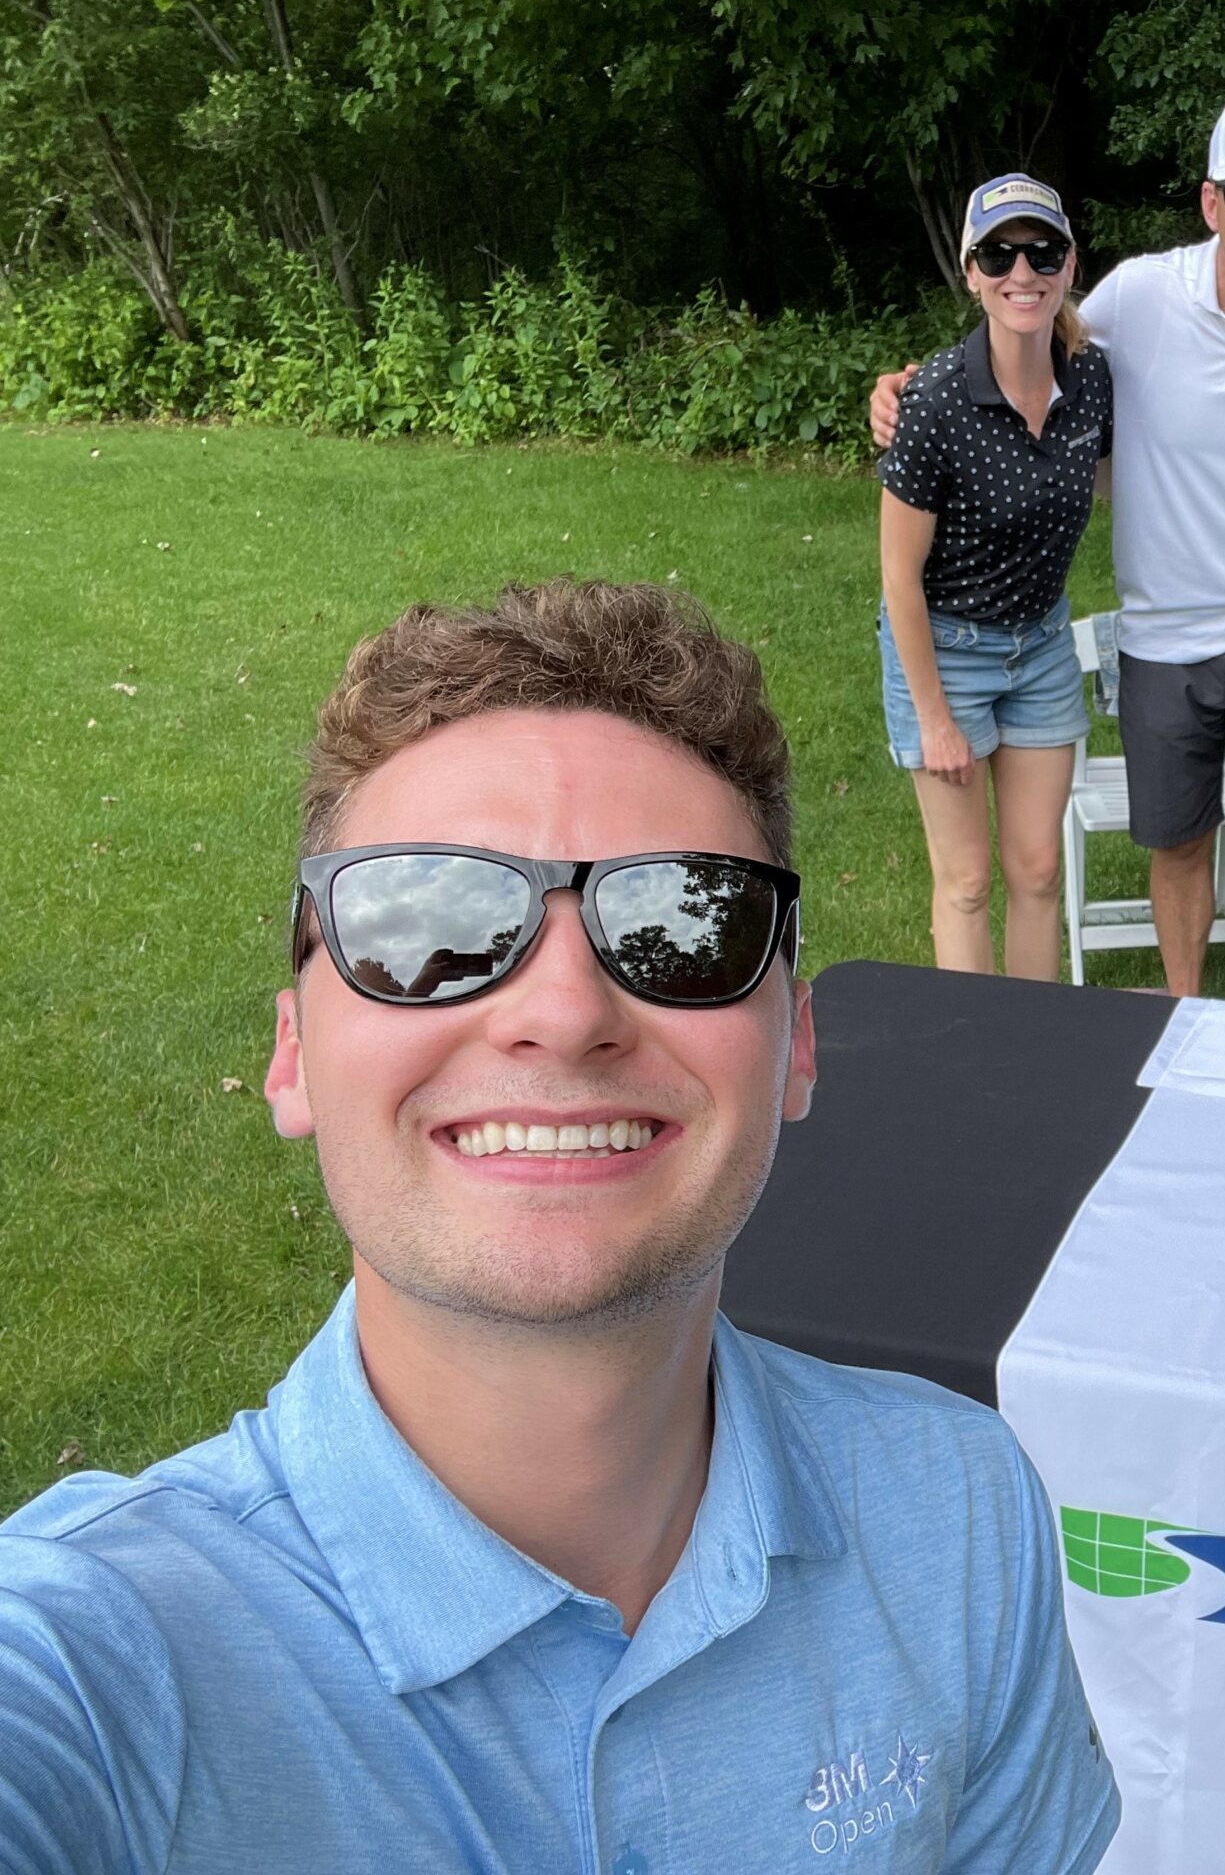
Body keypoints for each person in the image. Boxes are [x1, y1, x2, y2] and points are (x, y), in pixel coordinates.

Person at [0, 581, 1120, 1870]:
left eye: (681, 923)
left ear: (796, 1046)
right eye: (427, 926)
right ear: (293, 1053)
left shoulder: (961, 1511)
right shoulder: (98, 1663)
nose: (564, 1012)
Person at [874, 93, 1225, 1011]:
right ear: (1210, 202)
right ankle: (1176, 1018)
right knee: (1168, 843)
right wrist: (902, 390)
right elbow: (1014, 336)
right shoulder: (1141, 297)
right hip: (1156, 629)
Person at [878, 172, 1111, 981]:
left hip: (1041, 644)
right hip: (944, 649)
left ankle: (1033, 1049)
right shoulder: (934, 400)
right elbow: (898, 578)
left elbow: (1133, 478)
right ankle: (973, 1061)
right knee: (968, 883)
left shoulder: (1091, 380)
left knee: (1040, 871)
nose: (1024, 272)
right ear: (972, 273)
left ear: (1069, 263)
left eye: (1041, 251)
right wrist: (936, 718)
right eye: (1000, 254)